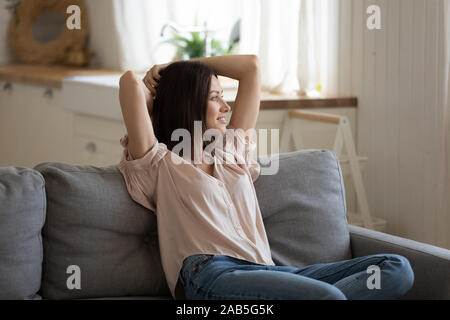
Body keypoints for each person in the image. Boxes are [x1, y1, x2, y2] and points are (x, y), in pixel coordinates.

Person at [118, 54, 414, 300]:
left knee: (396, 268)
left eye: (223, 97)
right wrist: (170, 78)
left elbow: (251, 68)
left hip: (266, 272)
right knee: (328, 297)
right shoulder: (158, 164)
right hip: (209, 275)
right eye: (215, 98)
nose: (226, 107)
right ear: (189, 102)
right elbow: (129, 82)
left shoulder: (231, 156)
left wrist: (181, 66)